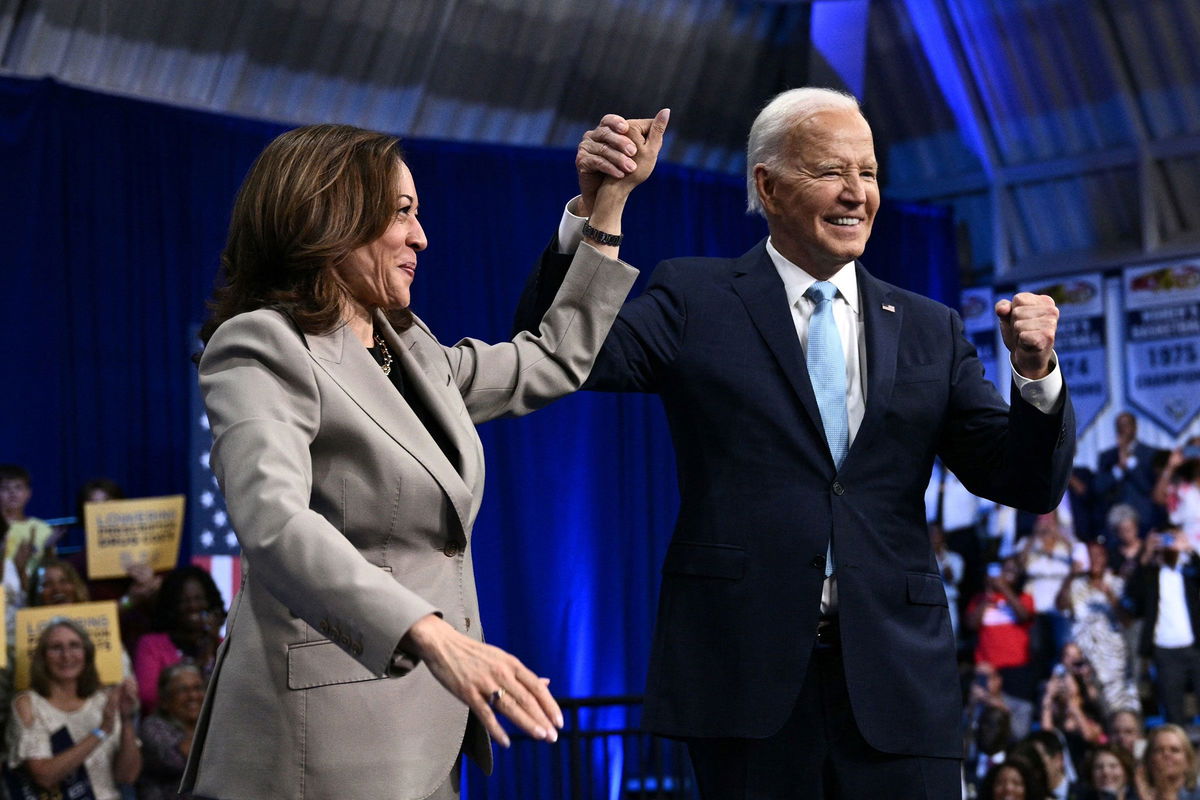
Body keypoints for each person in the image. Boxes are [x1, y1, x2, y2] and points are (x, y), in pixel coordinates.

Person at [515, 87, 1075, 797]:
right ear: (768, 186)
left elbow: (1024, 480)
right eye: (831, 172)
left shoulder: (930, 328)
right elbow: (565, 353)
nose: (856, 193)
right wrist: (601, 209)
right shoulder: (697, 297)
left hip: (898, 687)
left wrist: (1036, 376)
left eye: (869, 173)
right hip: (745, 683)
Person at [181, 117, 663, 800]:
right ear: (329, 215)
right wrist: (430, 634)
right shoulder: (260, 345)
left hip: (425, 733)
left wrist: (606, 204)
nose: (421, 236)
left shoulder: (411, 349)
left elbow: (553, 358)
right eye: (401, 212)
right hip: (321, 745)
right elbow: (274, 524)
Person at [5, 620, 141, 800]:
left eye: (74, 646)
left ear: (87, 654)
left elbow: (126, 776)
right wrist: (101, 731)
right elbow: (44, 776)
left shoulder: (104, 700)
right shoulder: (28, 704)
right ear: (43, 657)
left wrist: (126, 721)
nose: (66, 655)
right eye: (56, 648)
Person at [1123, 527, 1200, 725]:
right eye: (1164, 539)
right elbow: (1132, 596)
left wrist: (1190, 549)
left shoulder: (1188, 572)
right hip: (1164, 651)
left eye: (1172, 538)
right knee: (1173, 710)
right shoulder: (1151, 575)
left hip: (1195, 647)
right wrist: (1145, 553)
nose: (1168, 544)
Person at [1056, 541, 1139, 713]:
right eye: (1090, 556)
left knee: (1121, 708)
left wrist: (1110, 596)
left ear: (1106, 558)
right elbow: (1061, 605)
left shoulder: (1117, 584)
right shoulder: (1075, 585)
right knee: (1092, 710)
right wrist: (1070, 575)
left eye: (1098, 555)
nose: (1094, 560)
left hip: (1113, 659)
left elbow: (1128, 621)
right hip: (1085, 661)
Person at [133, 565, 225, 712]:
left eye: (198, 598)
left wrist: (212, 644)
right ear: (172, 606)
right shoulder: (152, 645)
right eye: (184, 600)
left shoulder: (223, 645)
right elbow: (149, 699)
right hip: (167, 728)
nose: (193, 606)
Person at [138, 663, 204, 800]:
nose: (193, 696)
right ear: (165, 701)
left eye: (197, 688)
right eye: (183, 690)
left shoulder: (210, 723)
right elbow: (176, 760)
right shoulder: (153, 727)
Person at [1096, 413, 1161, 535]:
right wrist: (1118, 468)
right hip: (1116, 523)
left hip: (1144, 520)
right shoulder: (1106, 457)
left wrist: (1130, 463)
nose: (1122, 429)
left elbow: (1149, 487)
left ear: (1135, 427)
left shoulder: (1150, 454)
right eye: (1119, 426)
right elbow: (1099, 487)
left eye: (1126, 424)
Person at [1139, 724, 1200, 800]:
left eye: (1174, 750)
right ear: (1149, 759)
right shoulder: (1137, 794)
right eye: (1159, 750)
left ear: (1188, 760)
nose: (1166, 754)